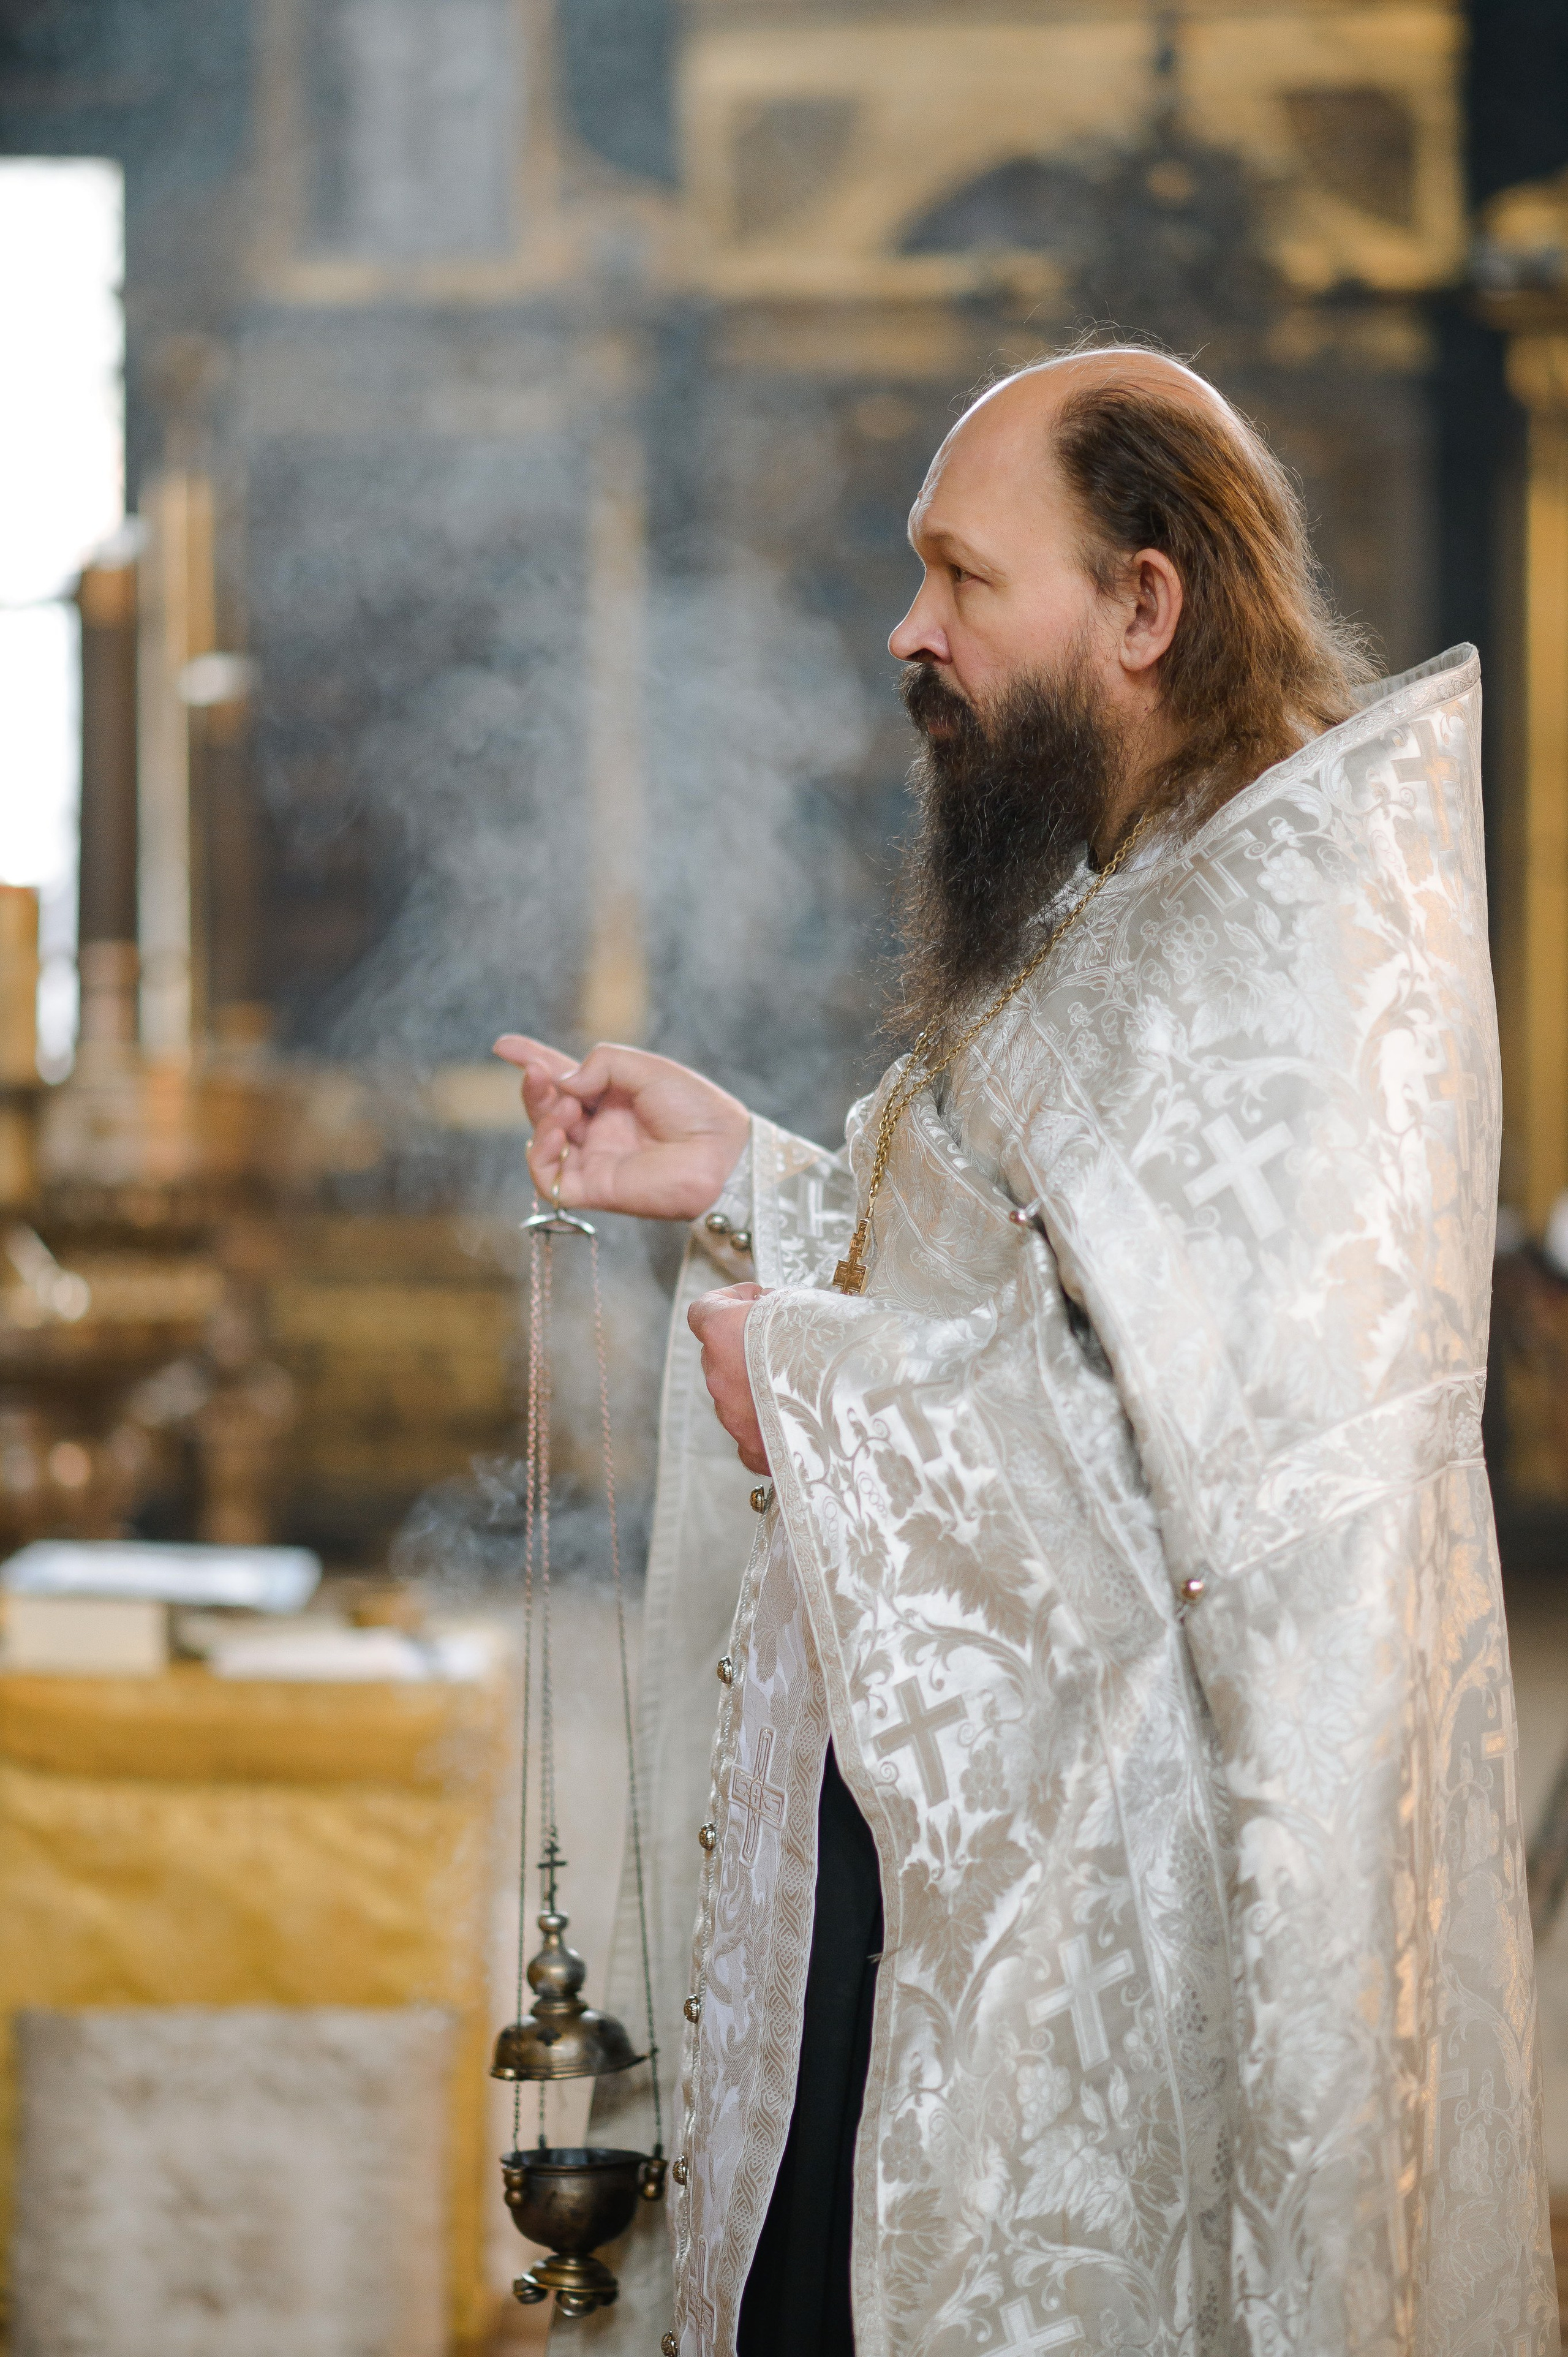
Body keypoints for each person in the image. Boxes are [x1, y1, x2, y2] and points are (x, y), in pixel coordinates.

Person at [496, 348, 1556, 2356]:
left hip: (1136, 1948)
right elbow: (1050, 1312)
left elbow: (1232, 1499)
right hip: (950, 1880)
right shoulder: (1144, 899)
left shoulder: (1299, 956)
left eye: (963, 580)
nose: (910, 631)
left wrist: (806, 1387)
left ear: (1146, 607)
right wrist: (759, 1182)